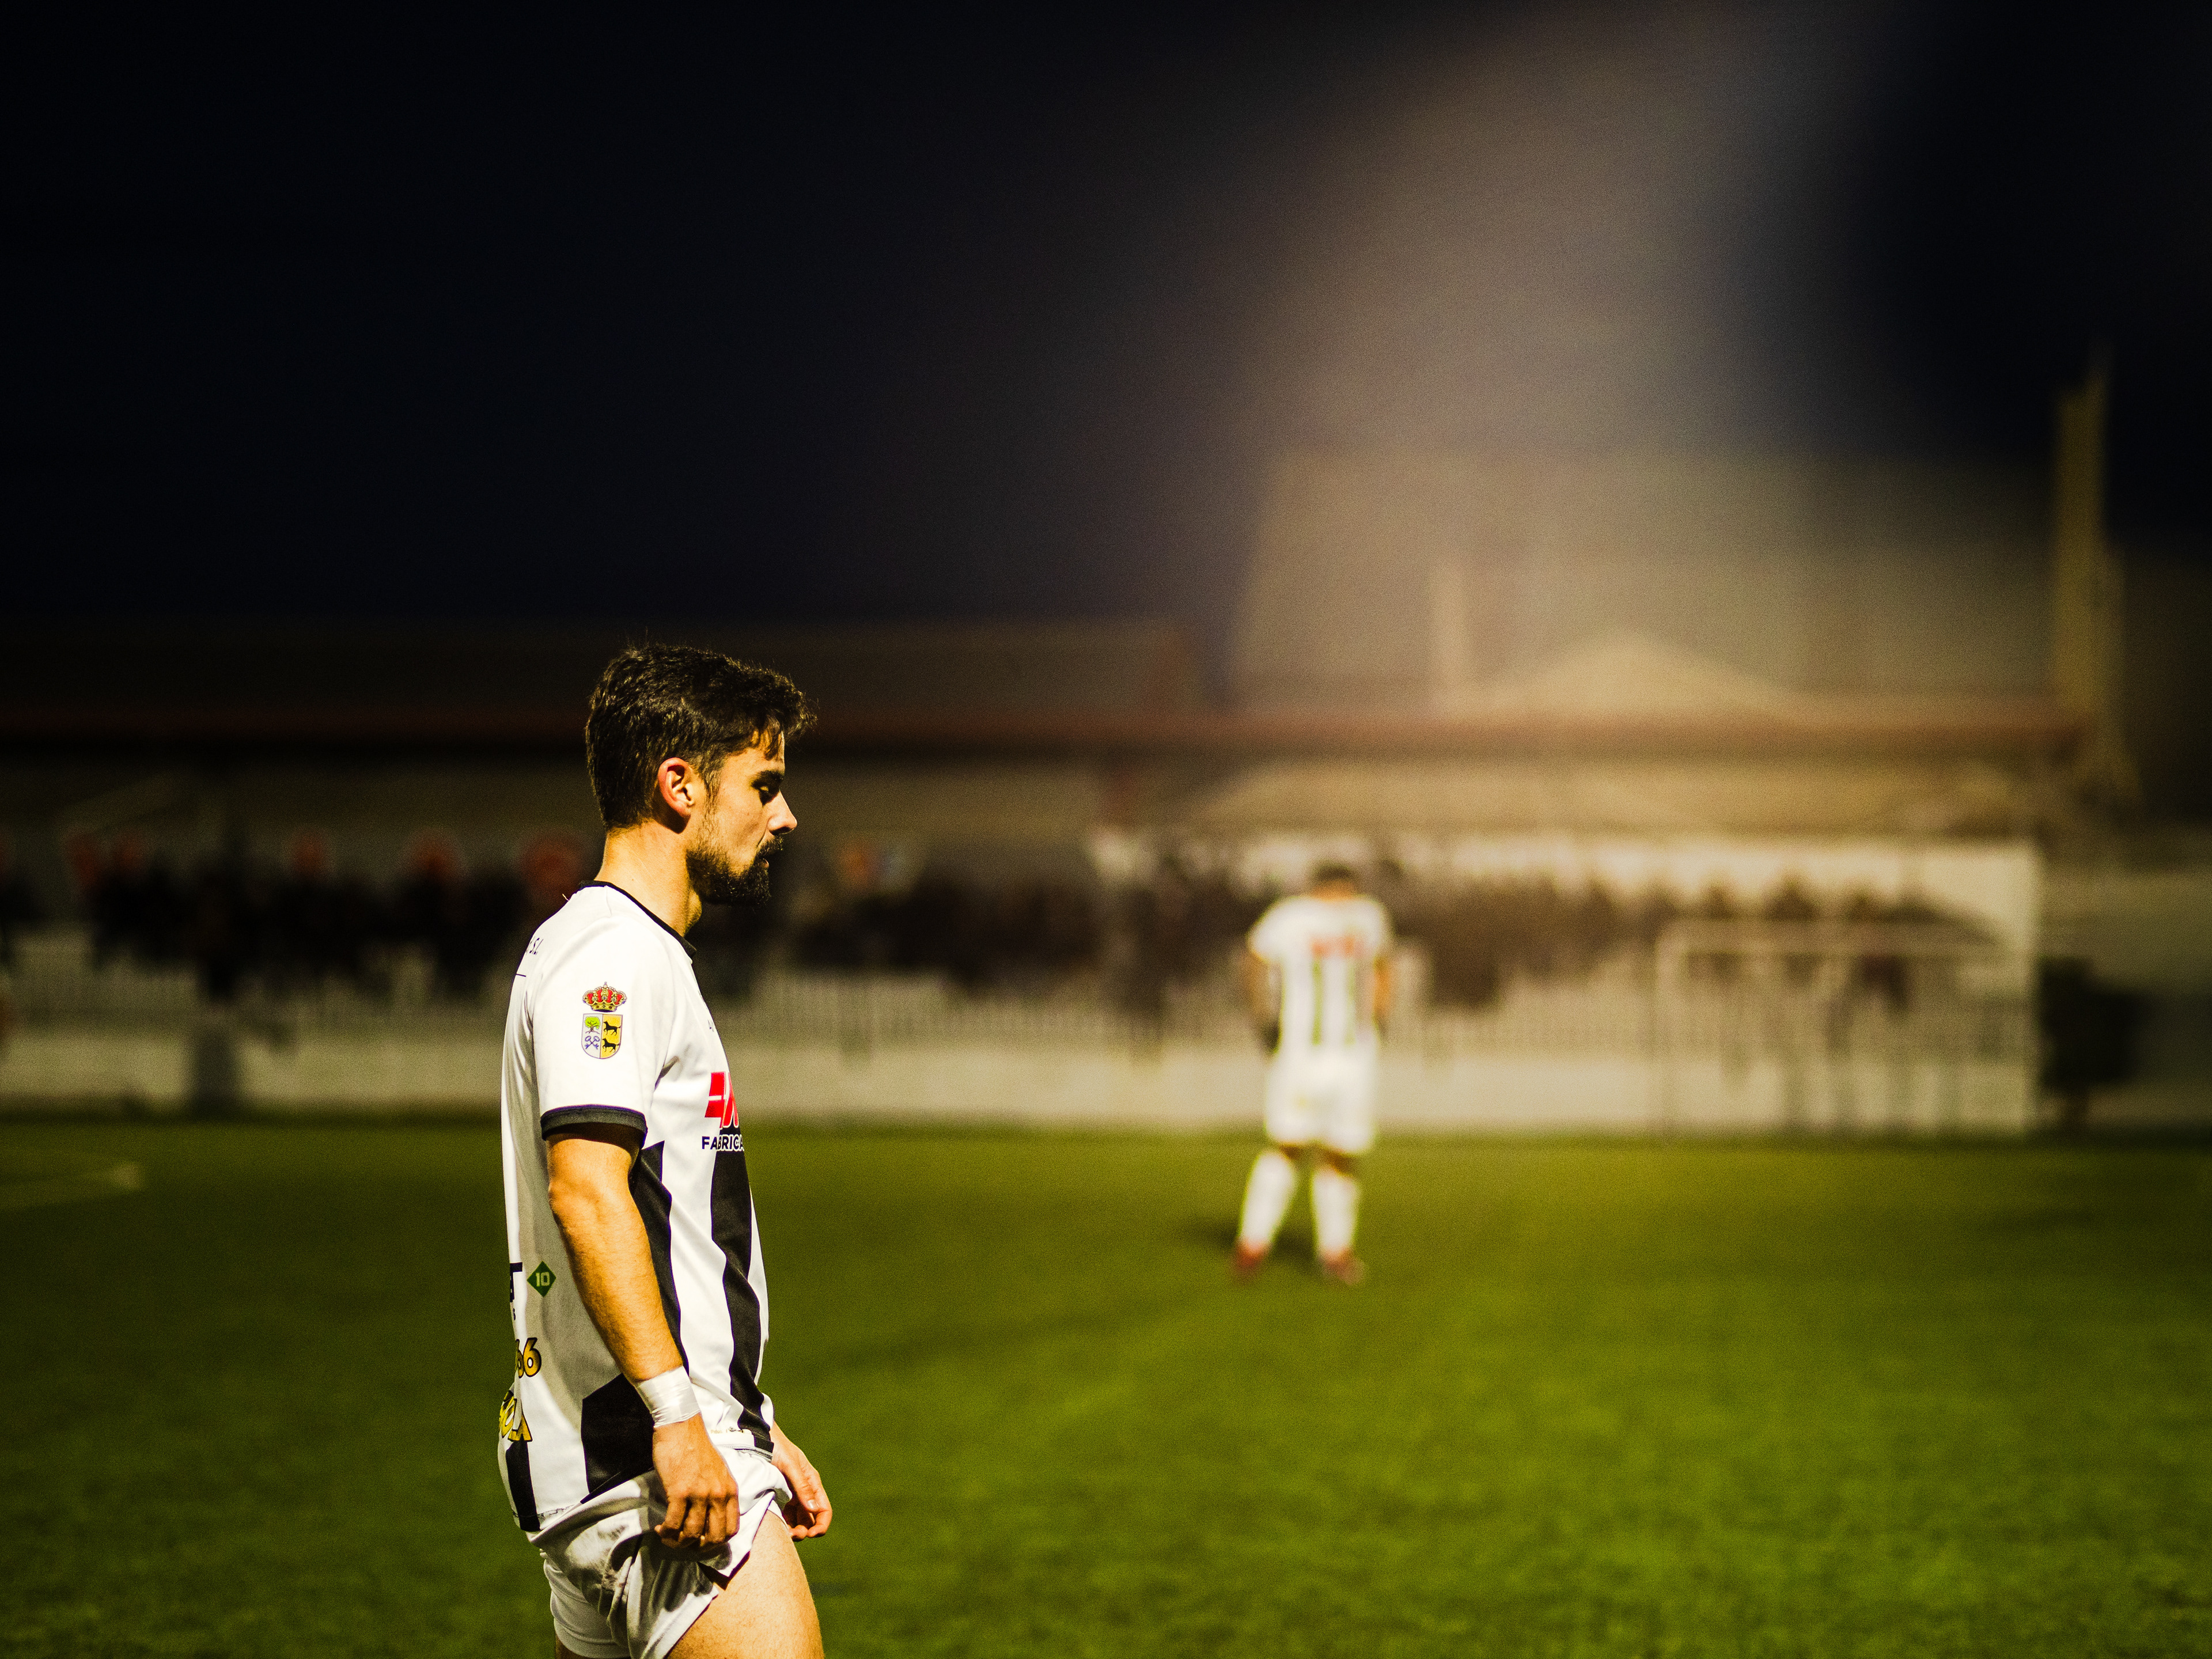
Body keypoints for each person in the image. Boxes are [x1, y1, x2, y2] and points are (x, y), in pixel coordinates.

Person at [497, 644, 832, 1659]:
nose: (786, 817)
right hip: (649, 1465)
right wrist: (682, 1421)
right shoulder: (613, 957)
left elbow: (662, 1224)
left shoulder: (628, 951)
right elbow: (587, 1192)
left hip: (638, 1446)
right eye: (764, 785)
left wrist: (742, 1413)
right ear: (679, 785)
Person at [1232, 862, 1395, 1286]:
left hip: (1354, 1054)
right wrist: (1263, 1017)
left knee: (1343, 1150)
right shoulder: (1290, 917)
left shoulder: (1368, 917)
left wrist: (1380, 1015)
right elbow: (1253, 959)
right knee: (1288, 1143)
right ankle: (1252, 1245)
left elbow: (1383, 965)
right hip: (1301, 1053)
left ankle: (1335, 1252)